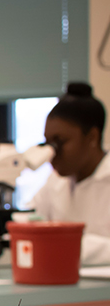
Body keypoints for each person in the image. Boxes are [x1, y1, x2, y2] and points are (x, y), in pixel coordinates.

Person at [31, 82, 110, 265]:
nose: (53, 153)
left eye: (60, 142)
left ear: (92, 137)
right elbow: (31, 222)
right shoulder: (55, 182)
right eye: (48, 142)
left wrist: (64, 244)